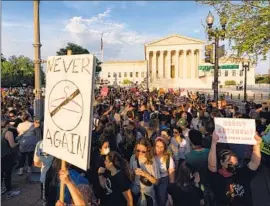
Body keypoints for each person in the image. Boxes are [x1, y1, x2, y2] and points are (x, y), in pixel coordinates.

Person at [208, 131, 262, 206]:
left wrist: (257, 144)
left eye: (235, 163)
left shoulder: (241, 173)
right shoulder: (217, 178)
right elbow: (212, 166)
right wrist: (213, 143)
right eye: (229, 162)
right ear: (222, 162)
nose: (233, 166)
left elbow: (254, 163)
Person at [130, 138, 160, 206]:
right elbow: (129, 176)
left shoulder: (151, 161)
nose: (140, 153)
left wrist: (145, 174)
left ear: (148, 149)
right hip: (135, 192)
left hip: (148, 194)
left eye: (143, 151)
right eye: (138, 150)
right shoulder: (133, 158)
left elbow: (157, 182)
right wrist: (133, 173)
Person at [154, 137, 175, 206]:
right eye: (157, 146)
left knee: (161, 200)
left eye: (161, 147)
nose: (159, 149)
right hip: (152, 179)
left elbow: (171, 178)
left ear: (164, 148)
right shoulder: (151, 156)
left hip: (163, 181)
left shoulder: (168, 158)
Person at [1, 119, 19, 194]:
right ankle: (8, 189)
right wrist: (18, 143)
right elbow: (12, 145)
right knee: (7, 173)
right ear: (8, 124)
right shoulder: (8, 132)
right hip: (6, 155)